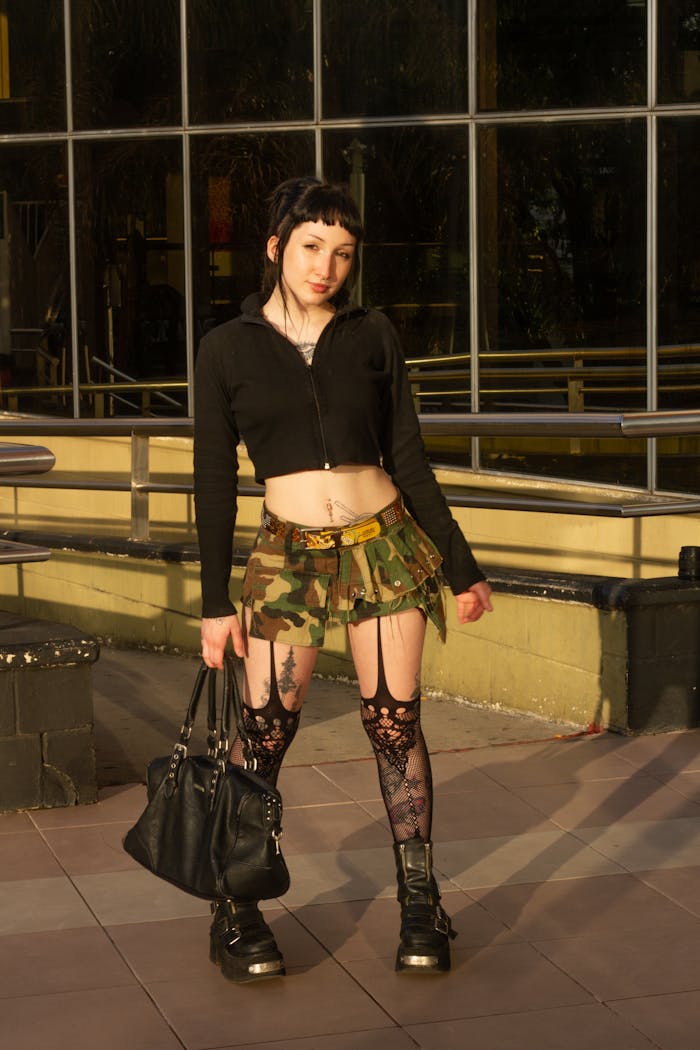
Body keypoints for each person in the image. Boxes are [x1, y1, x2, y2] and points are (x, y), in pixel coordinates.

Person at [194, 176, 493, 984]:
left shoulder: (372, 335)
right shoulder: (227, 349)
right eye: (311, 248)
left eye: (342, 253)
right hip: (285, 558)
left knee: (394, 725)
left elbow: (409, 458)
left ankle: (421, 903)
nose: (327, 266)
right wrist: (214, 603)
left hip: (386, 547)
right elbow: (215, 481)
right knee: (265, 731)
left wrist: (460, 564)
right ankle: (239, 905)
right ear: (275, 249)